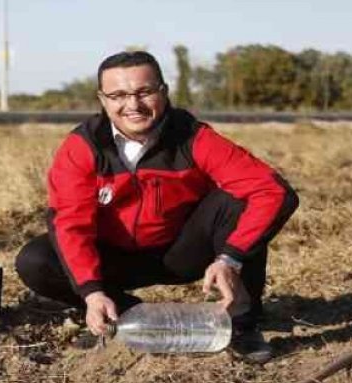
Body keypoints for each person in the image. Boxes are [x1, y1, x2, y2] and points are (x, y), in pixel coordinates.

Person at [15, 51, 299, 364]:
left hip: (184, 253)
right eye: (118, 95)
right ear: (102, 99)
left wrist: (230, 258)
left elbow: (273, 190)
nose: (132, 105)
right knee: (35, 260)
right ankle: (121, 314)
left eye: (144, 92)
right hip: (115, 259)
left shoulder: (192, 136)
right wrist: (91, 292)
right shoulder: (83, 146)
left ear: (163, 92)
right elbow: (71, 223)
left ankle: (243, 323)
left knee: (239, 202)